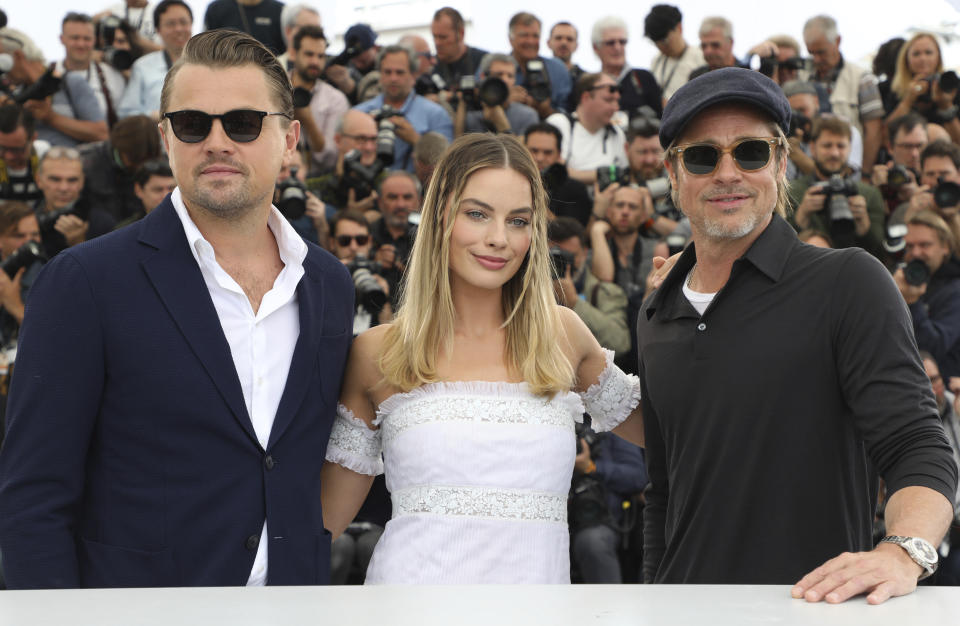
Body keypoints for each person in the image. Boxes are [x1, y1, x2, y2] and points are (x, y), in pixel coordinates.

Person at [0, 29, 354, 589]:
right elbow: (33, 496)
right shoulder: (86, 282)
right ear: (166, 138)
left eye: (242, 122)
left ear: (290, 140)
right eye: (193, 124)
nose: (216, 141)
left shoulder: (328, 283)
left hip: (294, 604)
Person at [640, 67, 957, 602]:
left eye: (751, 152)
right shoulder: (657, 307)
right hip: (680, 609)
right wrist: (650, 600)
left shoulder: (848, 281)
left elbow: (917, 444)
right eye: (701, 156)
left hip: (811, 609)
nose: (727, 173)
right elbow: (663, 491)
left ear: (781, 164)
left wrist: (903, 552)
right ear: (674, 175)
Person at [319, 133, 644, 584]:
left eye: (518, 220)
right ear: (440, 217)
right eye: (477, 214)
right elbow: (322, 525)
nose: (498, 239)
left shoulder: (562, 335)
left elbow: (674, 434)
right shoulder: (378, 353)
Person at [801, 15, 884, 175]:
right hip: (805, 174)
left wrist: (864, 174)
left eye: (821, 52)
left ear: (837, 41)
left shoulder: (862, 78)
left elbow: (873, 131)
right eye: (811, 53)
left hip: (850, 172)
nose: (817, 59)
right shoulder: (800, 76)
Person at [117, 0, 192, 121]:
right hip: (156, 138)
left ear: (191, 24)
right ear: (158, 29)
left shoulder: (207, 63)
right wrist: (159, 116)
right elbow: (126, 113)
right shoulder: (142, 66)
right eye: (170, 24)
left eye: (183, 22)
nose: (178, 29)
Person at [884, 32, 960, 144]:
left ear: (938, 56)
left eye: (928, 53)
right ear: (906, 59)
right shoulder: (893, 90)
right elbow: (886, 135)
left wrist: (945, 106)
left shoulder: (952, 87)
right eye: (916, 54)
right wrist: (908, 100)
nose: (923, 58)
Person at [591, 16, 663, 119]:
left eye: (622, 42)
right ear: (596, 47)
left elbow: (661, 120)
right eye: (610, 43)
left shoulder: (644, 78)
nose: (617, 47)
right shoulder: (591, 84)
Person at [644, 4, 703, 102]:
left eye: (664, 41)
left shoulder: (700, 57)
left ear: (679, 28)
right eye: (656, 43)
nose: (661, 47)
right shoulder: (656, 61)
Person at [203, 0, 285, 56]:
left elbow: (288, 52)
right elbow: (206, 50)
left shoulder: (280, 10)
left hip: (271, 73)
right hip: (225, 71)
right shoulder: (216, 9)